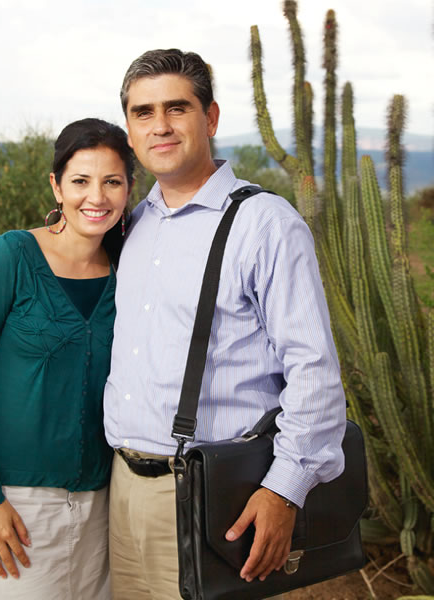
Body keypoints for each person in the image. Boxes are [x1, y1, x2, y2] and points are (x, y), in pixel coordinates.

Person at [103, 48, 347, 599]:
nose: (160, 126)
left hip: (215, 495)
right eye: (143, 112)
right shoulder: (134, 225)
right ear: (130, 130)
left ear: (210, 118)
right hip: (122, 490)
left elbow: (313, 371)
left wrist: (284, 491)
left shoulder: (264, 224)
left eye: (177, 108)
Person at [0, 117, 134, 600]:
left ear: (129, 187)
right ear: (57, 186)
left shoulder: (128, 269)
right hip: (14, 502)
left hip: (102, 502)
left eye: (112, 182)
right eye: (81, 181)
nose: (97, 196)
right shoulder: (13, 256)